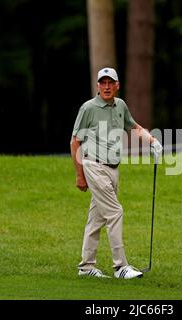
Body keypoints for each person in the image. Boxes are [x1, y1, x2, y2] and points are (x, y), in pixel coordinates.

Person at [70, 67, 163, 279]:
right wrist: (79, 174)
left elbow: (134, 127)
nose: (106, 87)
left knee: (97, 219)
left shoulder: (120, 105)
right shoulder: (88, 108)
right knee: (115, 212)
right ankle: (120, 266)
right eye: (102, 83)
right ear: (97, 86)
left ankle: (85, 267)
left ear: (117, 85)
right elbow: (75, 142)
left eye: (110, 83)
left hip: (113, 169)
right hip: (93, 165)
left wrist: (153, 141)